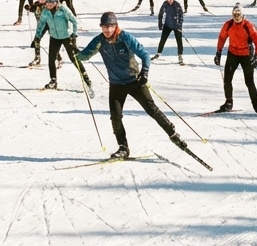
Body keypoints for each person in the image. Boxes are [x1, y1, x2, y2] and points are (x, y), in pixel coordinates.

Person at [76, 11, 191, 160]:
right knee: (115, 117)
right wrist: (75, 51)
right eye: (104, 27)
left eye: (110, 26)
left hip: (134, 81)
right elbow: (84, 56)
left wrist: (144, 73)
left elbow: (144, 55)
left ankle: (173, 134)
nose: (107, 30)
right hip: (116, 84)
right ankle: (123, 148)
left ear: (115, 26)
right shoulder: (99, 41)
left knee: (152, 109)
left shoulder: (124, 37)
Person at [214, 4, 257, 115]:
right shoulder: (228, 24)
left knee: (249, 81)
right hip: (233, 53)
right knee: (227, 79)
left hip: (246, 54)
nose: (236, 17)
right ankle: (228, 102)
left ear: (242, 15)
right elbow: (222, 37)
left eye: (238, 15)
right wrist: (218, 52)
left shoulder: (248, 26)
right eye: (234, 15)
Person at [33, 0, 83, 91]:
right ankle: (53, 81)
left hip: (66, 36)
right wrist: (37, 37)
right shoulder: (45, 11)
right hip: (54, 37)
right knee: (51, 59)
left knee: (73, 58)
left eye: (51, 3)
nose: (49, 5)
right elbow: (41, 24)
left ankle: (85, 78)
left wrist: (74, 34)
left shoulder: (63, 9)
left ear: (56, 2)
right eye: (47, 3)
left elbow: (74, 21)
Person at [154, 0, 185, 64]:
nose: (170, 1)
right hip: (167, 24)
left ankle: (180, 55)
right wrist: (160, 24)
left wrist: (179, 25)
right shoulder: (165, 4)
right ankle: (158, 53)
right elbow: (160, 14)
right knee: (163, 39)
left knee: (179, 41)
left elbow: (181, 15)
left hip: (176, 25)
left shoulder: (177, 5)